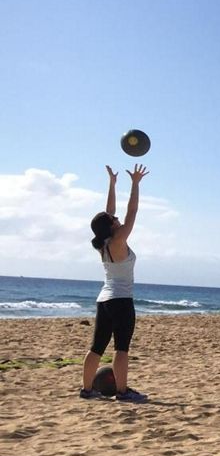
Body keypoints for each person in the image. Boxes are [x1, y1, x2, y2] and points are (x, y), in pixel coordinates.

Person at [81, 163, 149, 402]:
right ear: (111, 225)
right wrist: (135, 184)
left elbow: (108, 211)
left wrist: (112, 183)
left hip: (103, 300)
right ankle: (122, 392)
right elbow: (132, 211)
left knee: (97, 348)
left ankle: (87, 390)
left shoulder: (103, 242)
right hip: (120, 301)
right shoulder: (118, 239)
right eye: (114, 219)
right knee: (121, 348)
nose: (118, 218)